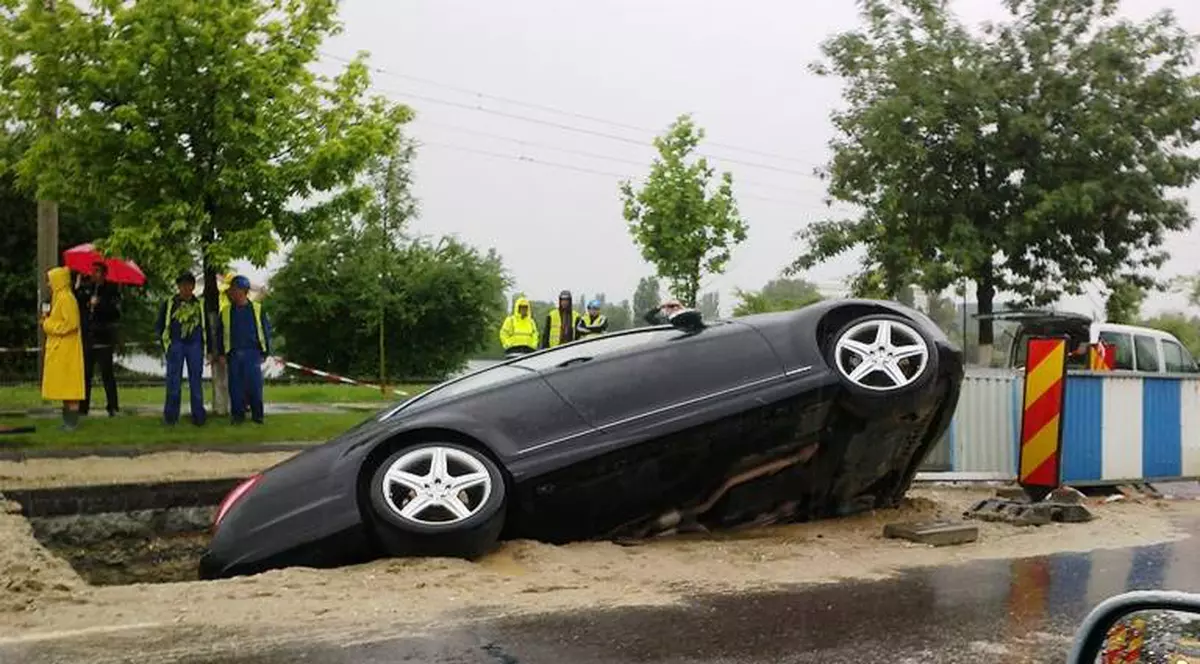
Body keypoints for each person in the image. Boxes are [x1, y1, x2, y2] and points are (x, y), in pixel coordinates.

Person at [156, 272, 211, 426]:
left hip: (195, 345)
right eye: (182, 285)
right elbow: (160, 325)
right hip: (176, 344)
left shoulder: (200, 304)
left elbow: (207, 325)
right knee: (173, 382)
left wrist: (208, 348)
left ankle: (198, 417)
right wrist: (165, 345)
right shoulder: (169, 303)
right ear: (178, 286)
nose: (185, 288)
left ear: (193, 286)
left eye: (188, 284)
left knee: (196, 382)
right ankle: (171, 417)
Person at [218, 275, 272, 425]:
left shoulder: (257, 309)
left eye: (234, 290)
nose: (231, 293)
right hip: (234, 353)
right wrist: (221, 354)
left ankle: (258, 416)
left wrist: (266, 351)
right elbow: (220, 334)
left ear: (243, 291)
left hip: (252, 352)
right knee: (235, 387)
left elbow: (265, 331)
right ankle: (237, 416)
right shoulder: (226, 312)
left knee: (254, 386)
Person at [41, 267, 86, 431]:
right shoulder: (58, 298)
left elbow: (72, 324)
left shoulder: (66, 298)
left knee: (70, 388)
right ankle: (67, 421)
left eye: (50, 280)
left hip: (68, 350)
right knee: (64, 387)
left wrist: (48, 325)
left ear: (59, 280)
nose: (48, 283)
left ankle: (71, 423)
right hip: (61, 348)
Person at [75, 262, 121, 416]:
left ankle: (113, 406)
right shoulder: (88, 288)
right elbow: (79, 304)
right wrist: (80, 289)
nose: (94, 274)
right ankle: (83, 407)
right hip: (89, 336)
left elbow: (115, 313)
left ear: (104, 273)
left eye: (97, 272)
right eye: (93, 271)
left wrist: (100, 304)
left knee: (107, 374)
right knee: (86, 374)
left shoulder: (111, 290)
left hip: (104, 337)